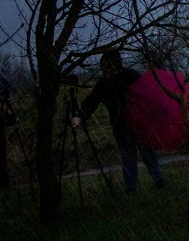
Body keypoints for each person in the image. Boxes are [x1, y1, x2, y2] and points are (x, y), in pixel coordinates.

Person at [69, 50, 165, 192]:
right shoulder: (104, 83)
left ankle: (158, 181)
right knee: (129, 157)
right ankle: (132, 187)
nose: (107, 69)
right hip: (122, 127)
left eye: (109, 65)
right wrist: (80, 116)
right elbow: (92, 101)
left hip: (139, 125)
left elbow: (148, 94)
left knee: (147, 153)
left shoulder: (131, 76)